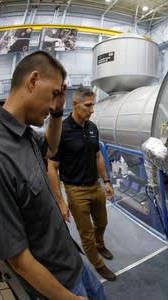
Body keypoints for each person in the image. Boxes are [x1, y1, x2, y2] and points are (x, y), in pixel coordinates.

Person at [0, 50, 108, 299]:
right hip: (57, 285)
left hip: (73, 261)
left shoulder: (24, 134)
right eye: (54, 94)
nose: (56, 102)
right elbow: (18, 258)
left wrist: (55, 113)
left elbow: (53, 147)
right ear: (33, 81)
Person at [47, 86, 116, 281]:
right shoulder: (61, 131)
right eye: (88, 105)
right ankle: (99, 265)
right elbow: (52, 167)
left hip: (95, 186)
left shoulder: (92, 127)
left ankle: (100, 244)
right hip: (75, 190)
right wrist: (61, 201)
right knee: (85, 234)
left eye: (93, 105)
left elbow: (98, 156)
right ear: (75, 104)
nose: (92, 109)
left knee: (102, 222)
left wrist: (107, 181)